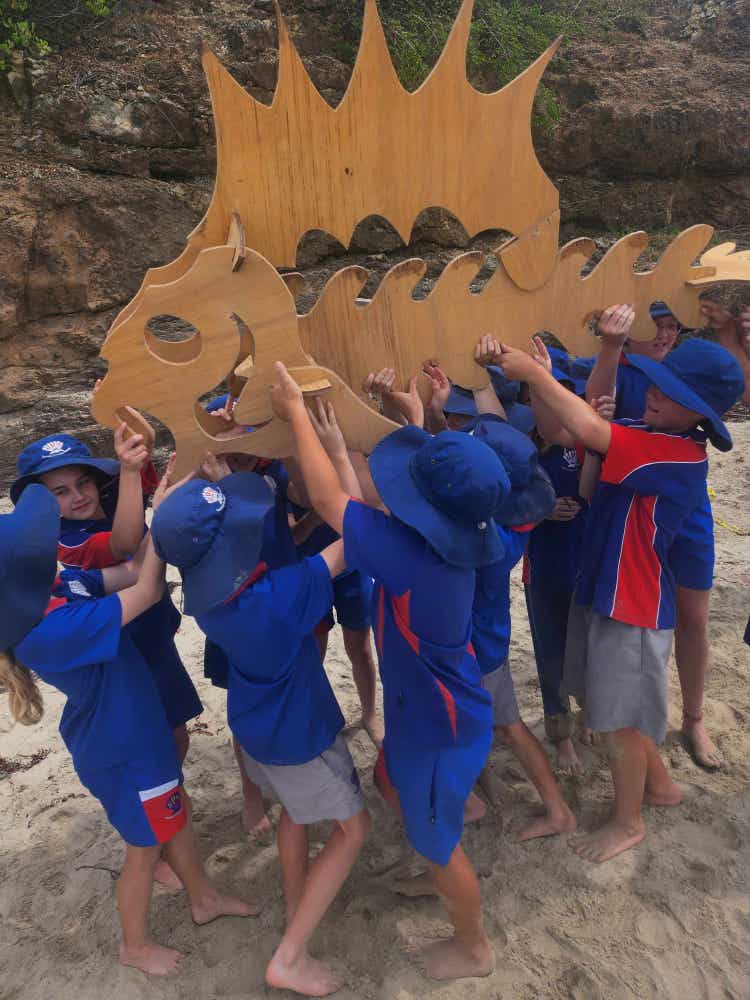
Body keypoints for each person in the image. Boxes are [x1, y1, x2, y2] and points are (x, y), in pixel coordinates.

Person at [270, 362, 511, 983]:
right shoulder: (453, 544)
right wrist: (408, 419)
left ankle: (474, 946)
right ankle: (436, 862)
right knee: (395, 787)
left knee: (436, 841)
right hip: (426, 712)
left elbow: (331, 504)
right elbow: (364, 509)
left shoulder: (413, 560)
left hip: (437, 728)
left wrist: (295, 409)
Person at [496, 323, 745, 863]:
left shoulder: (674, 454)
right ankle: (658, 785)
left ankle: (629, 821)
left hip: (632, 603)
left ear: (698, 411)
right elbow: (575, 442)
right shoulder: (649, 433)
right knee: (604, 700)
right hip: (604, 589)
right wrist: (543, 385)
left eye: (669, 392)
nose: (652, 392)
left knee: (622, 722)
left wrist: (537, 374)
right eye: (654, 382)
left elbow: (589, 428)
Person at [0, 483, 257, 977]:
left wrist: (156, 498)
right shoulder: (47, 630)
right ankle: (134, 946)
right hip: (124, 744)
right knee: (144, 847)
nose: (47, 546)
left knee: (172, 813)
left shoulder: (58, 589)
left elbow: (133, 571)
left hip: (134, 726)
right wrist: (162, 525)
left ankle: (203, 897)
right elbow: (147, 591)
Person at [150, 461, 371, 998]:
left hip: (258, 732)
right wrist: (338, 449)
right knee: (352, 830)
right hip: (300, 737)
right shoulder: (279, 598)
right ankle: (289, 957)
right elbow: (356, 531)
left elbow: (257, 556)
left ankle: (298, 902)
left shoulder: (215, 601)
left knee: (295, 813)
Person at [583, 300, 748, 769]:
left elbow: (730, 389)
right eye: (654, 326)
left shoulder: (692, 370)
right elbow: (593, 413)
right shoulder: (630, 367)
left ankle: (694, 716)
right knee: (623, 611)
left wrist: (733, 335)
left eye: (672, 326)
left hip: (683, 503)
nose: (664, 335)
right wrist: (611, 345)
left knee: (693, 615)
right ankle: (611, 711)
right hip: (630, 503)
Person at [10, 428, 203, 765]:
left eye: (83, 482)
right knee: (164, 737)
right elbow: (127, 548)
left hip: (155, 631)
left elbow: (140, 460)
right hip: (128, 644)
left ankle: (170, 790)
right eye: (60, 492)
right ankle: (165, 797)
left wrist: (132, 431)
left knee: (175, 728)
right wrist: (137, 481)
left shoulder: (111, 495)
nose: (79, 496)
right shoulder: (69, 541)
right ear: (41, 504)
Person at [464, 413, 577, 839]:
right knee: (489, 724)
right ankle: (489, 784)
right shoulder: (517, 524)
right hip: (488, 640)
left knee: (508, 726)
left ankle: (557, 809)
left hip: (479, 650)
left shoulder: (483, 542)